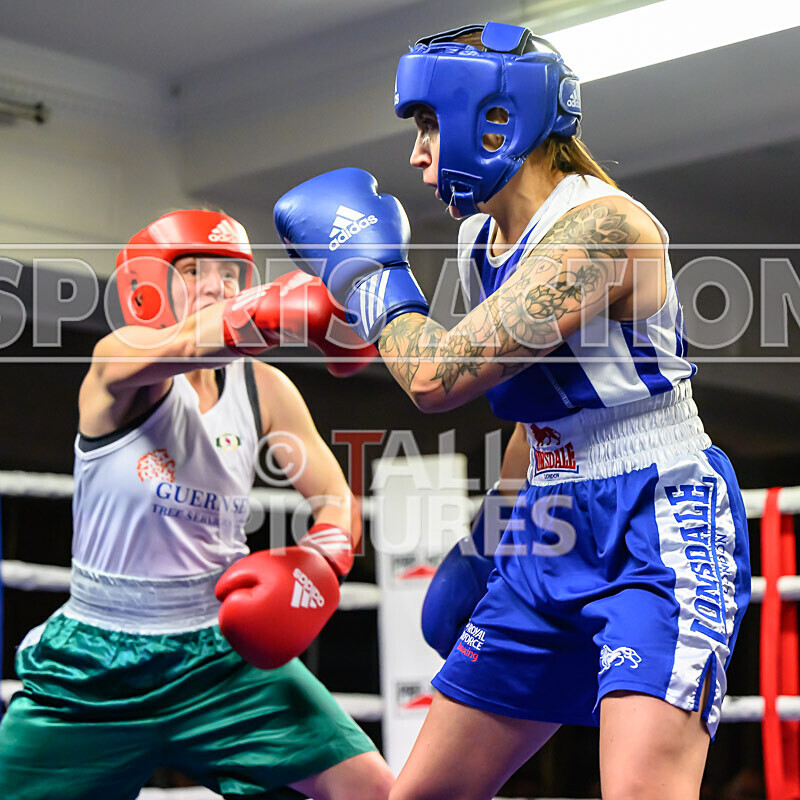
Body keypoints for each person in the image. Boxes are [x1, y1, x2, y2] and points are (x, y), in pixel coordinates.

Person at [270, 21, 751, 800]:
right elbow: (539, 417)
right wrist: (493, 532)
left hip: (655, 517)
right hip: (549, 518)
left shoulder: (603, 230)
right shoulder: (480, 241)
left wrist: (366, 275)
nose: (418, 153)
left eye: (429, 124)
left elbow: (437, 377)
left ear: (495, 121)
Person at [0, 209, 393, 800]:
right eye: (193, 271)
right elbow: (183, 344)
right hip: (96, 666)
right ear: (148, 287)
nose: (216, 287)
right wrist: (271, 310)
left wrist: (322, 557)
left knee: (373, 789)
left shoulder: (264, 387)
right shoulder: (123, 358)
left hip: (222, 658)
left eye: (231, 274)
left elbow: (337, 499)